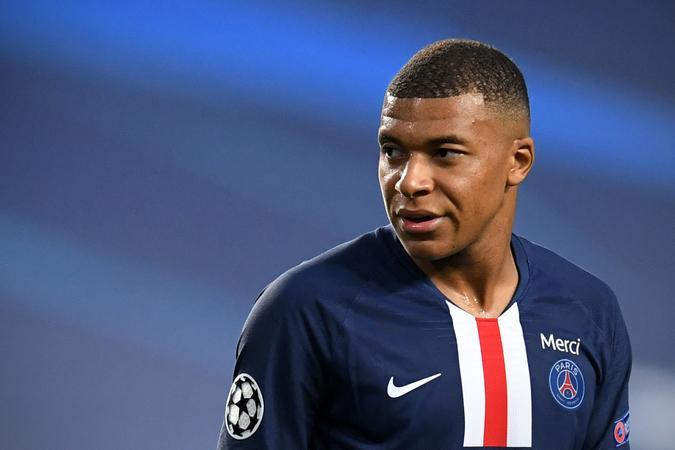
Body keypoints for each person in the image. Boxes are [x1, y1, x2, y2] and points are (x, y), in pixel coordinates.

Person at [217, 39, 631, 449]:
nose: (409, 182)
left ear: (517, 161)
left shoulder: (588, 312)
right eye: (393, 151)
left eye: (445, 153)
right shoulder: (306, 309)